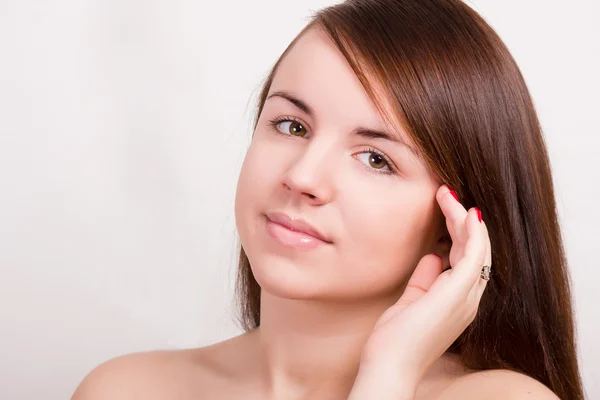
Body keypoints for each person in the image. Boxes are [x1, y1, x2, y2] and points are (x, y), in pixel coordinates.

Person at [70, 0, 584, 399]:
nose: (303, 176)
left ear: (455, 224)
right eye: (291, 125)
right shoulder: (123, 390)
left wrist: (387, 378)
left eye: (375, 158)